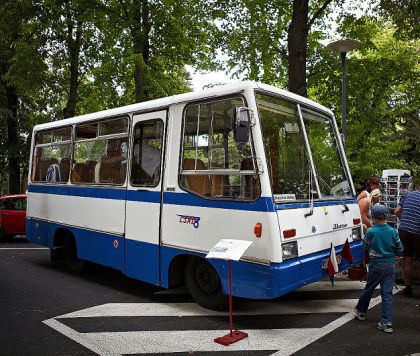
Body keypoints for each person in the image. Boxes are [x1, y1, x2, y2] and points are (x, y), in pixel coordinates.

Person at [354, 204, 404, 333]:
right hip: (389, 265)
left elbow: (365, 247)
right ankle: (386, 322)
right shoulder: (393, 231)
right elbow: (400, 249)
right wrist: (396, 255)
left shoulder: (371, 232)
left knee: (369, 289)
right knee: (387, 294)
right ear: (386, 216)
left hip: (376, 264)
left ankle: (361, 311)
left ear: (373, 218)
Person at [394, 177, 420, 297]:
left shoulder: (409, 195)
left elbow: (396, 211)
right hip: (417, 232)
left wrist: (403, 219)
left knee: (407, 259)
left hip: (403, 230)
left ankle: (408, 288)